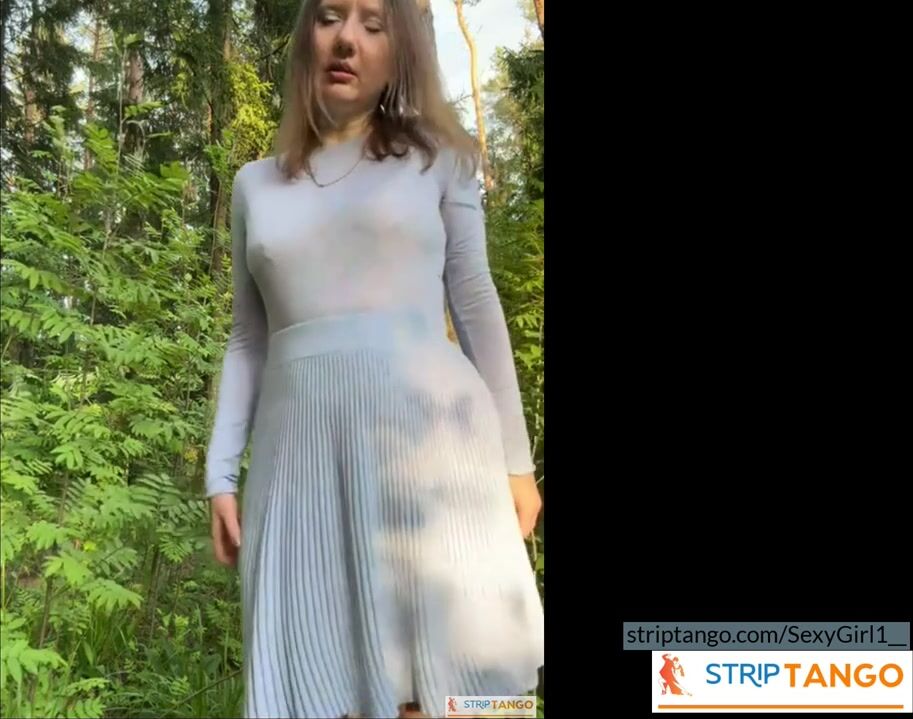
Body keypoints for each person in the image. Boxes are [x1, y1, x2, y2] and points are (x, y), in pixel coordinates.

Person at [204, 0, 544, 716]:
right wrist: (219, 473)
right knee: (320, 688)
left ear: (399, 51)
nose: (347, 39)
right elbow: (248, 339)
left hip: (437, 452)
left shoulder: (440, 159)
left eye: (372, 24)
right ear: (307, 37)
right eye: (331, 16)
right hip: (298, 460)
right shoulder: (253, 185)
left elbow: (476, 306)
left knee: (456, 695)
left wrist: (517, 463)